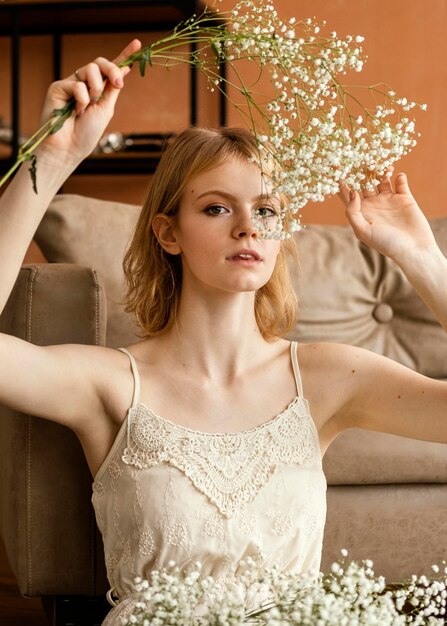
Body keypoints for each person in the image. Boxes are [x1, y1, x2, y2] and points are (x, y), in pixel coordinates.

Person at [0, 41, 446, 625]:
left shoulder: (328, 377)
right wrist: (53, 158)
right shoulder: (110, 384)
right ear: (168, 233)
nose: (247, 229)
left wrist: (422, 261)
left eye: (267, 211)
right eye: (215, 208)